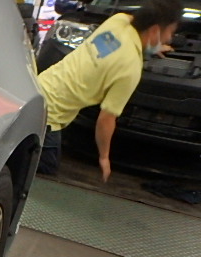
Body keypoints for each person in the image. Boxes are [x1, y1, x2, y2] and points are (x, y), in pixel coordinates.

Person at [36, 0, 183, 182]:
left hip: (40, 86)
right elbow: (106, 119)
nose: (169, 39)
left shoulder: (118, 21)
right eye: (170, 32)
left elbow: (133, 26)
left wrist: (153, 44)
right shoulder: (130, 68)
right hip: (48, 115)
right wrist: (104, 158)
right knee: (47, 166)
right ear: (154, 31)